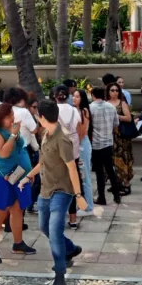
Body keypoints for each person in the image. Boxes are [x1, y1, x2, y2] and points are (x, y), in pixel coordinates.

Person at [20, 100, 87, 285]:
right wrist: (28, 176)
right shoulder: (45, 134)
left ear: (40, 117)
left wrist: (79, 196)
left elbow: (72, 168)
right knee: (43, 227)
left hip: (62, 191)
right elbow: (42, 161)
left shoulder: (63, 138)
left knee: (54, 232)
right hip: (45, 190)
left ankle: (60, 278)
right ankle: (71, 249)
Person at [0, 102, 36, 264]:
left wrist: (29, 173)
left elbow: (21, 149)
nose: (12, 119)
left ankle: (18, 243)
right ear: (0, 118)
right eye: (8, 117)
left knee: (17, 209)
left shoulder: (9, 129)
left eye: (12, 116)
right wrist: (14, 135)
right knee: (0, 212)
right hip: (2, 178)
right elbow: (3, 153)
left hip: (20, 176)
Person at [53, 85, 85, 228]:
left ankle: (57, 218)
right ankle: (73, 220)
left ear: (54, 96)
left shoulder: (52, 110)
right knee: (73, 182)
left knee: (57, 183)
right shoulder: (73, 110)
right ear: (68, 96)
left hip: (57, 148)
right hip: (73, 148)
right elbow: (79, 130)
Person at [89, 86, 122, 205]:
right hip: (108, 142)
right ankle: (116, 195)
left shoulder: (90, 108)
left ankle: (101, 197)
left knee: (99, 172)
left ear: (93, 95)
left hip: (95, 144)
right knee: (110, 169)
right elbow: (116, 123)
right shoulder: (111, 107)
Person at [106, 83, 134, 196]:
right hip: (110, 136)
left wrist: (117, 116)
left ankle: (126, 184)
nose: (115, 92)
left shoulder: (122, 103)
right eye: (112, 90)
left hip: (122, 137)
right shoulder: (106, 103)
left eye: (117, 90)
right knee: (112, 160)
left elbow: (129, 118)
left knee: (124, 159)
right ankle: (117, 183)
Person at [72, 88, 94, 217]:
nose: (74, 98)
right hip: (77, 144)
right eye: (73, 96)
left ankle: (89, 206)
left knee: (85, 176)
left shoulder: (84, 111)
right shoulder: (74, 111)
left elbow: (83, 131)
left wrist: (76, 145)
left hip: (82, 145)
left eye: (77, 97)